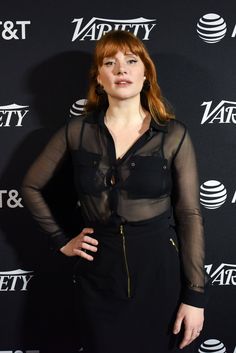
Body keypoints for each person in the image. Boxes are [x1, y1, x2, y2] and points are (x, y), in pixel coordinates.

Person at [22, 30, 208, 353]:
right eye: (110, 62)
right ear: (99, 78)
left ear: (145, 74)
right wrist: (62, 241)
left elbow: (189, 215)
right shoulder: (76, 132)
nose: (121, 69)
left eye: (131, 61)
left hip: (158, 274)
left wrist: (194, 296)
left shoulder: (173, 135)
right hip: (98, 277)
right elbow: (30, 186)